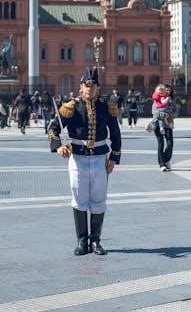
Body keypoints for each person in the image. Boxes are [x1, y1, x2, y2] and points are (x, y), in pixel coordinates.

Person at [48, 67, 121, 256]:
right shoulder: (71, 107)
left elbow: (115, 133)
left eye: (93, 85)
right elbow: (53, 128)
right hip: (78, 158)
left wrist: (114, 157)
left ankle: (95, 240)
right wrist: (58, 146)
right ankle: (82, 240)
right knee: (79, 198)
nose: (90, 88)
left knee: (99, 199)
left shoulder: (106, 106)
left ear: (98, 88)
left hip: (100, 158)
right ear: (81, 87)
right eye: (86, 85)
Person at [146, 84, 175, 171]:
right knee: (161, 143)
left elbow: (174, 112)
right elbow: (155, 113)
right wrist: (163, 114)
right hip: (158, 124)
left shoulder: (170, 101)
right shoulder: (157, 100)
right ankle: (162, 164)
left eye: (169, 90)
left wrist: (171, 121)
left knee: (170, 143)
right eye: (166, 90)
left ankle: (166, 160)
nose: (168, 91)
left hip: (168, 125)